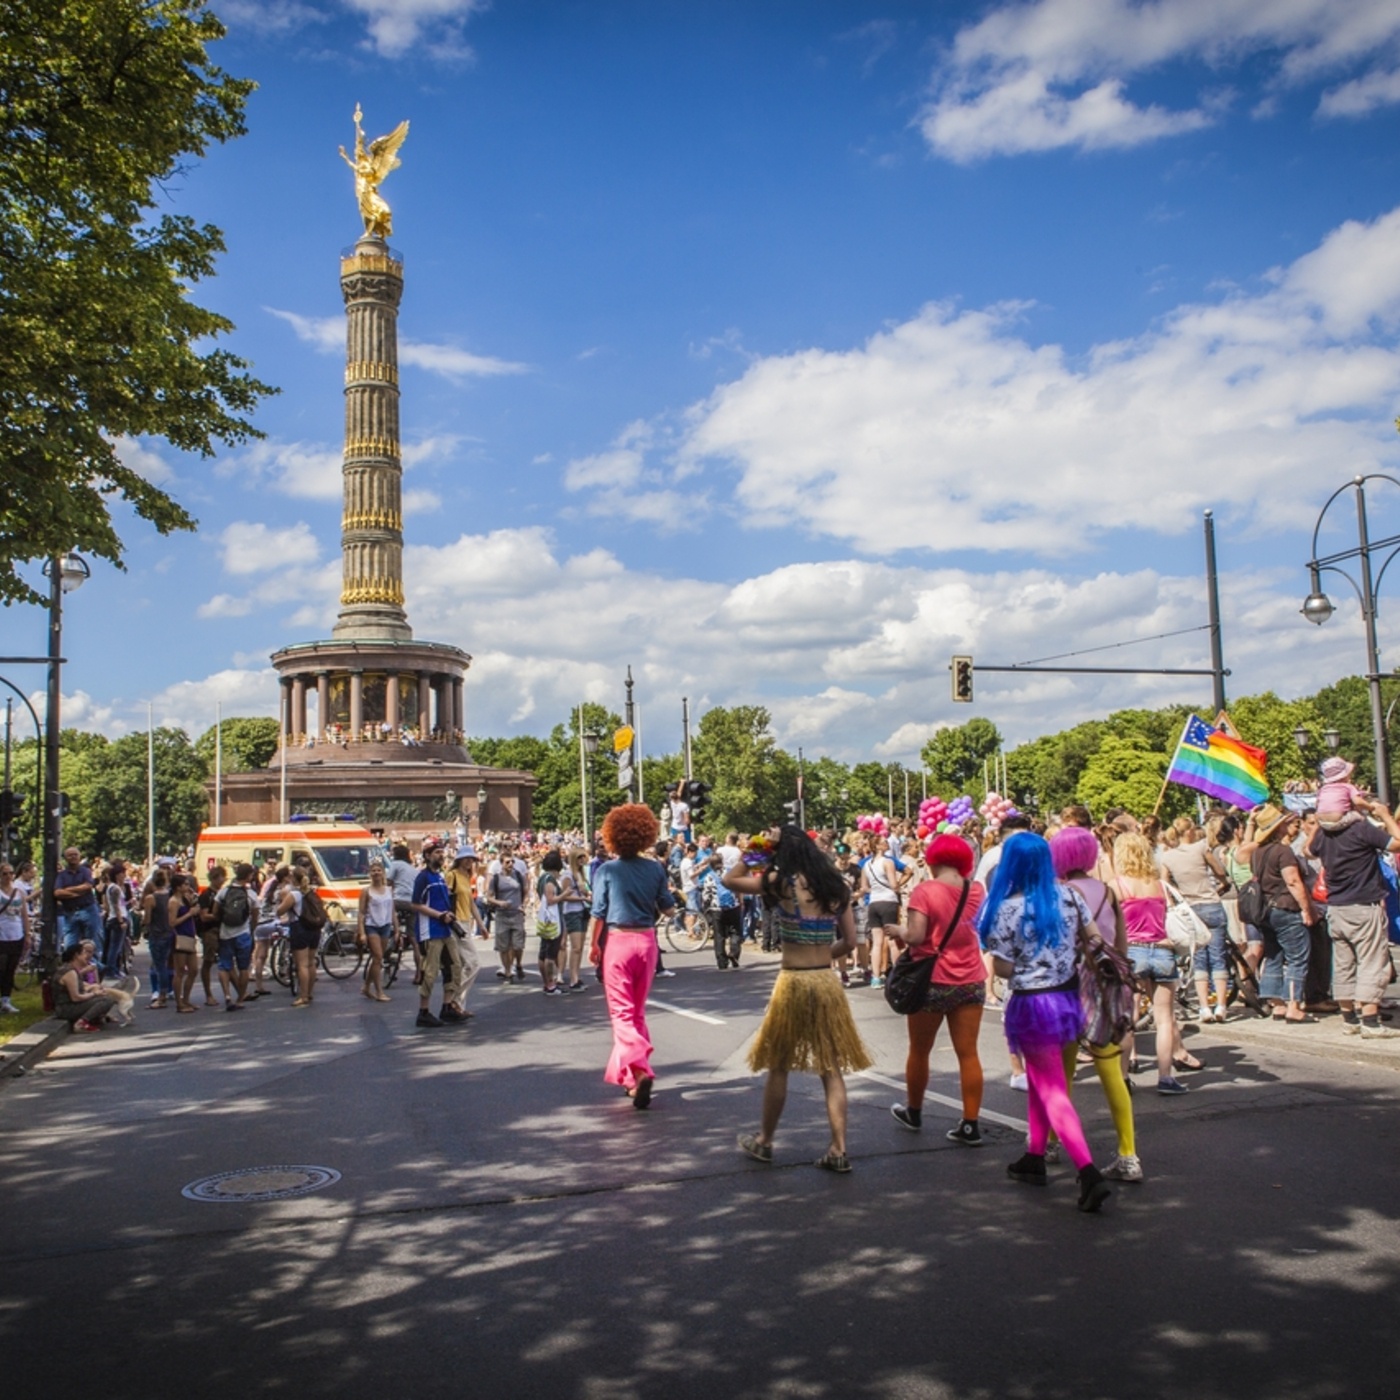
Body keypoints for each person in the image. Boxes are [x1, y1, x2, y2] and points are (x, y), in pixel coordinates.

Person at [978, 832, 1112, 1213]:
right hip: (1067, 997)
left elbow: (1003, 967)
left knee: (1052, 1089)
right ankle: (1034, 1155)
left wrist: (1021, 958)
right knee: (1043, 1081)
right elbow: (1095, 941)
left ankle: (1088, 1172)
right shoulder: (1070, 896)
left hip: (1032, 1003)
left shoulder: (1004, 908)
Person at [725, 826, 872, 1172]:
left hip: (791, 981)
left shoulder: (779, 881)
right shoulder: (836, 887)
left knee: (778, 1064)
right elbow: (850, 943)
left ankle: (764, 1141)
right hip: (825, 980)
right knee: (831, 1067)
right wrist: (821, 955)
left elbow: (732, 880)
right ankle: (838, 1148)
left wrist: (760, 845)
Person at [1050, 827, 1141, 1183]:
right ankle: (1128, 1154)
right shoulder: (1108, 892)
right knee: (1111, 1072)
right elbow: (1121, 944)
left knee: (1063, 1070)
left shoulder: (1062, 894)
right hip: (1105, 987)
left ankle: (1054, 1142)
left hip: (1071, 985)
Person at [890, 835, 986, 1145]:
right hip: (970, 978)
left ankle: (914, 1110)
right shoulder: (977, 890)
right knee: (968, 1053)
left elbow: (916, 936)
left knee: (920, 1049)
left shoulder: (925, 890)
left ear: (934, 860)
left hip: (931, 980)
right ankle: (970, 1123)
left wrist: (897, 931)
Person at [588, 804, 675, 1109]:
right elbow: (668, 908)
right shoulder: (654, 868)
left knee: (622, 1014)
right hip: (647, 942)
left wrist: (593, 945)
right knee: (637, 1011)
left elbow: (598, 912)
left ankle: (640, 1063)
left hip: (619, 941)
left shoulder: (607, 870)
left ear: (613, 836)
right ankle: (633, 1079)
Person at [1308, 796, 1400, 1038]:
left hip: (1337, 907)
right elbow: (1398, 843)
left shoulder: (1324, 835)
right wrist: (1385, 815)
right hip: (1364, 903)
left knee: (1343, 963)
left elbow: (1308, 850)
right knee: (1371, 962)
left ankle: (1349, 1018)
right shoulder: (1361, 829)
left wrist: (1319, 823)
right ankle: (1370, 1020)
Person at [1114, 832, 1198, 1092]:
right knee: (1165, 1018)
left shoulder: (1116, 886)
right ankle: (1166, 1078)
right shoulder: (1159, 885)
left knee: (1127, 1019)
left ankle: (1123, 1078)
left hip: (1132, 951)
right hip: (1162, 950)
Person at [1246, 804, 1315, 1024]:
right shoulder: (1282, 851)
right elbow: (1293, 881)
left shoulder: (1257, 853)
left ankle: (1277, 1004)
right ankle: (1293, 1005)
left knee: (1273, 955)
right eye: (1285, 823)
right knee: (1297, 957)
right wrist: (1306, 909)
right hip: (1285, 907)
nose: (1288, 826)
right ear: (1278, 828)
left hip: (1264, 910)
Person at [1160, 823, 1233, 1025]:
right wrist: (1223, 882)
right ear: (1190, 831)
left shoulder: (1167, 856)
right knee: (1218, 956)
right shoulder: (1201, 848)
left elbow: (1164, 883)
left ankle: (1204, 1008)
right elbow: (1219, 870)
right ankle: (1221, 1005)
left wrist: (1173, 902)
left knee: (1198, 957)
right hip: (1210, 903)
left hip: (1190, 909)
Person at [410, 841, 467, 1027]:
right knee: (430, 971)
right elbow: (416, 904)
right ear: (427, 856)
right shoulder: (423, 877)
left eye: (442, 852)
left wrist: (448, 914)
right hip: (430, 930)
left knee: (454, 966)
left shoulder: (440, 877)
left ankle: (447, 1006)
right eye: (436, 852)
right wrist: (439, 915)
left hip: (445, 928)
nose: (441, 855)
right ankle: (423, 1011)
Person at [213, 862, 256, 1010]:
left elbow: (215, 911)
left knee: (224, 966)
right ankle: (240, 999)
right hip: (243, 933)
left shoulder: (224, 892)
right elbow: (255, 914)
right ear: (249, 876)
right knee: (243, 968)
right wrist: (252, 928)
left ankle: (227, 996)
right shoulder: (250, 894)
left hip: (225, 933)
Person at [52, 942, 116, 1032]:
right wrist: (94, 994)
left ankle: (95, 1018)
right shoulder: (69, 972)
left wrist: (94, 988)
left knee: (105, 996)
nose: (87, 956)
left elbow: (82, 987)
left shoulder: (71, 970)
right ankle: (81, 1023)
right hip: (66, 1009)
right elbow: (76, 997)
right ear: (76, 956)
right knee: (106, 1000)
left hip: (69, 1006)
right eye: (84, 953)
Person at [278, 867, 318, 1008]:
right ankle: (310, 992)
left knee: (302, 964)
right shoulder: (311, 892)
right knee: (311, 962)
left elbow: (280, 910)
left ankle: (303, 996)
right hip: (314, 928)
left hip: (299, 928)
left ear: (293, 879)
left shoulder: (294, 894)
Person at [358, 858, 396, 1003]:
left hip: (385, 925)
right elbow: (361, 912)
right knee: (378, 957)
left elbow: (392, 910)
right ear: (370, 874)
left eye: (378, 870)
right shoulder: (366, 891)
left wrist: (396, 928)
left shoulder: (388, 890)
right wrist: (362, 932)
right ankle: (379, 991)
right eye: (373, 871)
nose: (376, 873)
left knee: (377, 959)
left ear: (383, 873)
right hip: (371, 925)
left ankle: (367, 986)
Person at [54, 847, 101, 952]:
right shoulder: (61, 875)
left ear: (80, 856)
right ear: (65, 858)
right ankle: (74, 967)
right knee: (69, 945)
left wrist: (67, 891)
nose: (73, 857)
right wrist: (78, 892)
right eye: (70, 855)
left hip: (88, 909)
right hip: (70, 912)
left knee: (93, 943)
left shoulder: (86, 871)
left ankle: (94, 967)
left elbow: (88, 886)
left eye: (75, 854)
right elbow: (57, 893)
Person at [140, 868, 174, 1009]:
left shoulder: (151, 898)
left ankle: (161, 996)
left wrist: (142, 922)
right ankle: (169, 991)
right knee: (168, 963)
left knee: (159, 965)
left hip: (156, 934)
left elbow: (147, 919)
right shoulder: (170, 896)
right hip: (170, 932)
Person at [168, 873, 201, 1014]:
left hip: (189, 936)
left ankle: (186, 999)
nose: (188, 887)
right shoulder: (173, 901)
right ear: (178, 887)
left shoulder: (185, 899)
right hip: (179, 937)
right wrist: (189, 914)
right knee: (180, 970)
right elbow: (172, 922)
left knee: (193, 970)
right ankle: (179, 1002)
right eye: (185, 884)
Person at [0, 861, 31, 1014]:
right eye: (4, 873)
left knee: (11, 969)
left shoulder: (19, 892)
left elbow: (24, 915)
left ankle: (6, 999)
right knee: (2, 966)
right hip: (1, 934)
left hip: (16, 933)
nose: (8, 876)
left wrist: (27, 934)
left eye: (10, 873)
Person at [559, 847, 592, 991]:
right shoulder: (568, 875)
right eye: (579, 858)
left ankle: (576, 976)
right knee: (576, 947)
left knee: (579, 947)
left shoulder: (580, 874)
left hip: (582, 909)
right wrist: (581, 897)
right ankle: (573, 978)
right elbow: (564, 895)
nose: (582, 860)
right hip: (572, 911)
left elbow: (584, 890)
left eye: (583, 857)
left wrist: (586, 894)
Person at [535, 849, 566, 996]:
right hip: (553, 919)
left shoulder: (542, 878)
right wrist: (565, 894)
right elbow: (551, 899)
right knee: (550, 954)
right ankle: (550, 983)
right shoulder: (549, 880)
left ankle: (546, 983)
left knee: (543, 953)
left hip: (545, 919)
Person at [196, 865, 228, 1007]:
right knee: (208, 962)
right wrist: (217, 916)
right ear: (215, 878)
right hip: (210, 930)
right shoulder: (206, 895)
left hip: (222, 930)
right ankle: (208, 994)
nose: (224, 879)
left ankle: (235, 991)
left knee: (227, 961)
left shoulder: (222, 893)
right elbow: (203, 916)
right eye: (222, 877)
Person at [1315, 755, 1366, 831]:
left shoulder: (1323, 788)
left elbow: (1317, 804)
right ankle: (1374, 825)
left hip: (1321, 822)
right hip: (1337, 821)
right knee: (1360, 815)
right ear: (1344, 775)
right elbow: (1358, 802)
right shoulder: (1347, 786)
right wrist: (1370, 807)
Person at [100, 860, 131, 980]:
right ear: (118, 874)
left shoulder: (114, 888)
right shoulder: (114, 888)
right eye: (123, 873)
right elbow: (116, 906)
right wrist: (121, 921)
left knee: (114, 946)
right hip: (117, 919)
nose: (124, 875)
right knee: (115, 947)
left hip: (116, 917)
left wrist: (129, 903)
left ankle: (113, 969)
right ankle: (111, 971)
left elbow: (120, 904)